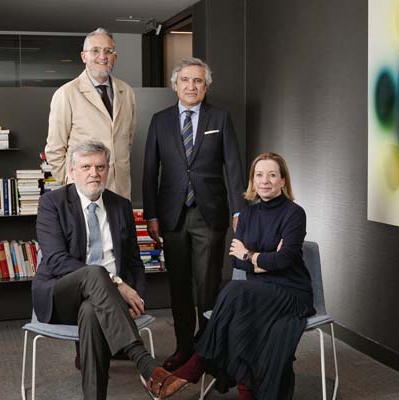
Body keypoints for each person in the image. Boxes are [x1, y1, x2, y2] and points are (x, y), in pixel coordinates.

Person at [32, 140, 187, 399]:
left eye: (100, 167)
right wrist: (117, 284)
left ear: (108, 170)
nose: (94, 173)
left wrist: (137, 295)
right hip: (61, 296)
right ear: (72, 171)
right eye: (86, 167)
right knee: (95, 272)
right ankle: (146, 365)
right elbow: (56, 260)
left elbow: (134, 261)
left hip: (105, 303)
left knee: (91, 311)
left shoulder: (120, 205)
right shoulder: (52, 203)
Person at [171, 152, 316, 400]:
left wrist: (250, 255)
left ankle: (199, 361)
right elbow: (235, 260)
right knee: (239, 310)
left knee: (234, 291)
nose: (265, 181)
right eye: (259, 175)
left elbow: (284, 259)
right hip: (257, 291)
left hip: (291, 292)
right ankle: (245, 391)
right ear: (252, 180)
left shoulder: (294, 213)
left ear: (283, 180)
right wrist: (264, 260)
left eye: (272, 175)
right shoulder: (246, 215)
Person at [142, 57, 246, 371]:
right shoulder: (160, 120)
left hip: (210, 214)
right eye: (185, 80)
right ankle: (184, 347)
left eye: (198, 81)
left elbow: (234, 167)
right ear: (175, 85)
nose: (191, 86)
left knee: (208, 284)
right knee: (179, 285)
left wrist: (239, 210)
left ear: (206, 86)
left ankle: (208, 349)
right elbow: (150, 171)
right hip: (172, 215)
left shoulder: (220, 118)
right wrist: (151, 215)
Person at [45, 28, 136, 199]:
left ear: (115, 57)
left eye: (108, 51)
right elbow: (54, 150)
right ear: (84, 56)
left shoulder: (127, 92)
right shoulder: (67, 93)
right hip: (83, 192)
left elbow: (127, 141)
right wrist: (70, 182)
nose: (103, 56)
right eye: (95, 50)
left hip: (120, 191)